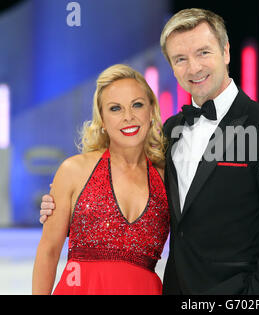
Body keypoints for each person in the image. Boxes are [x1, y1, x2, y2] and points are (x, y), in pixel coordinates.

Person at [41, 8, 259, 295]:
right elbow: (124, 178)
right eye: (181, 59)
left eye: (203, 53)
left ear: (226, 51)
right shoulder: (170, 131)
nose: (194, 68)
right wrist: (66, 207)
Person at [33, 64, 169, 295]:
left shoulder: (167, 178)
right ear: (103, 121)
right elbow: (48, 252)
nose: (128, 117)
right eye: (115, 108)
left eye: (137, 105)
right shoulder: (74, 170)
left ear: (151, 111)